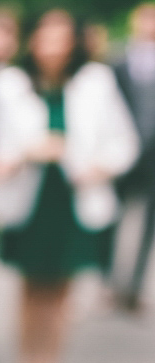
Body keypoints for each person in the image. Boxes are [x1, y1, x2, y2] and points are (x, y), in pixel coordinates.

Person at [0, 8, 139, 363]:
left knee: (60, 295)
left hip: (74, 201)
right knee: (31, 291)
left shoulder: (95, 83)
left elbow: (124, 142)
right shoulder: (9, 85)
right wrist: (27, 153)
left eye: (62, 37)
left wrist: (99, 167)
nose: (53, 46)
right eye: (45, 37)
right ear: (31, 40)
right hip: (30, 201)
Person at [112, 2, 155, 312]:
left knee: (149, 221)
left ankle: (134, 286)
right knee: (112, 212)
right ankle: (108, 282)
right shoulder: (118, 58)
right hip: (122, 147)